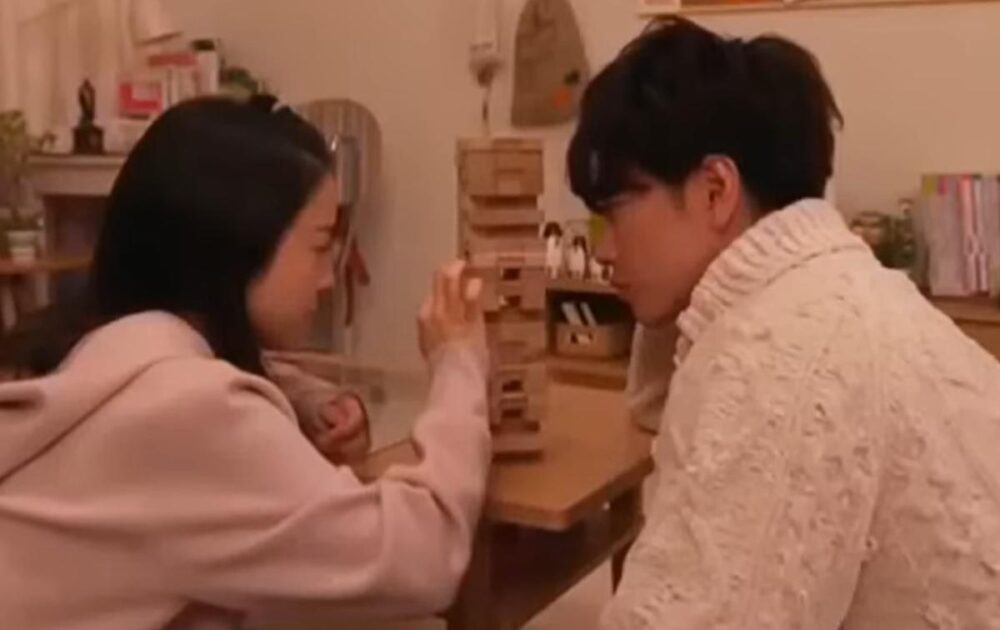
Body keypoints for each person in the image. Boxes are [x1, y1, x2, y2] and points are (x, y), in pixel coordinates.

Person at [568, 18, 1000, 630]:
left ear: (716, 190)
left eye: (614, 213)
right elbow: (663, 418)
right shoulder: (830, 288)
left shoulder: (780, 351)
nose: (604, 251)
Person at [0, 96, 491, 629]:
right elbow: (422, 559)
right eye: (319, 245)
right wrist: (458, 363)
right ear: (235, 248)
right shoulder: (192, 412)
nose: (329, 278)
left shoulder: (97, 348)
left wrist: (310, 402)